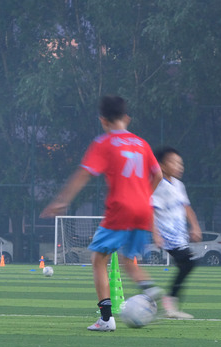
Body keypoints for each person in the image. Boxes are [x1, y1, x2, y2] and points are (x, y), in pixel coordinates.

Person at [40, 95, 163, 332]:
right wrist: (142, 196)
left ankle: (106, 319)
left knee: (98, 259)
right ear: (127, 118)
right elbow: (157, 175)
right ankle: (149, 288)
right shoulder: (141, 143)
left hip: (120, 208)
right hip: (143, 209)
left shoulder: (104, 142)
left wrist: (61, 201)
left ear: (103, 120)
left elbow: (84, 173)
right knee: (128, 261)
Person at [151, 146, 202, 319]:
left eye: (181, 163)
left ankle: (164, 302)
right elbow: (149, 209)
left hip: (179, 236)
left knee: (186, 265)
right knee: (188, 263)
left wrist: (195, 226)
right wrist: (155, 232)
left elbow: (186, 207)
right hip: (167, 235)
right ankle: (169, 302)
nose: (180, 166)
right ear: (162, 165)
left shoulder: (179, 185)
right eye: (174, 162)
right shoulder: (157, 185)